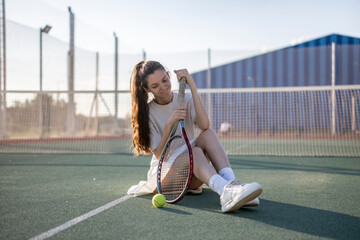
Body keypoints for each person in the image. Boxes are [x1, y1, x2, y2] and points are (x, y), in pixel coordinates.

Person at [127, 60, 262, 213]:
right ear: (146, 89)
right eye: (155, 86)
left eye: (165, 80)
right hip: (164, 177)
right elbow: (159, 155)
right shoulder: (147, 112)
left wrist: (192, 86)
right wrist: (169, 123)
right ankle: (226, 192)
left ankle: (233, 187)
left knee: (208, 134)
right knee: (195, 153)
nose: (163, 87)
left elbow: (205, 126)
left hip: (190, 169)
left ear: (169, 76)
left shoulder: (186, 99)